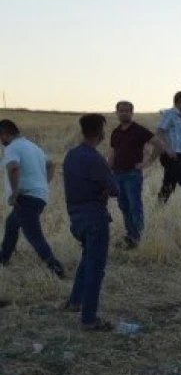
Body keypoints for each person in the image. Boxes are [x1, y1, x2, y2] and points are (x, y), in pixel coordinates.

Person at [62, 114, 119, 331]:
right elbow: (115, 189)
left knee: (87, 260)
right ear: (101, 133)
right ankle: (89, 319)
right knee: (96, 269)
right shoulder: (95, 159)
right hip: (95, 217)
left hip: (76, 218)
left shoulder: (71, 156)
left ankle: (74, 302)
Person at [0, 119, 65, 278]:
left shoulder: (12, 148)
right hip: (38, 196)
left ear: (6, 134)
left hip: (25, 198)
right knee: (11, 225)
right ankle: (3, 258)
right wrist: (43, 183)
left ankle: (55, 267)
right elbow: (51, 165)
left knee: (34, 236)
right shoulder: (32, 146)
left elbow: (13, 168)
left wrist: (14, 193)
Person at [108, 101, 160, 248]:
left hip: (132, 175)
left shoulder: (139, 130)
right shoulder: (115, 132)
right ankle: (131, 236)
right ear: (117, 112)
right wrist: (107, 172)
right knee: (123, 206)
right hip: (117, 174)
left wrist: (147, 163)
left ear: (132, 112)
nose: (124, 113)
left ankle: (139, 238)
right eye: (121, 111)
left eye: (127, 111)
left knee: (134, 206)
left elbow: (159, 144)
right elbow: (112, 153)